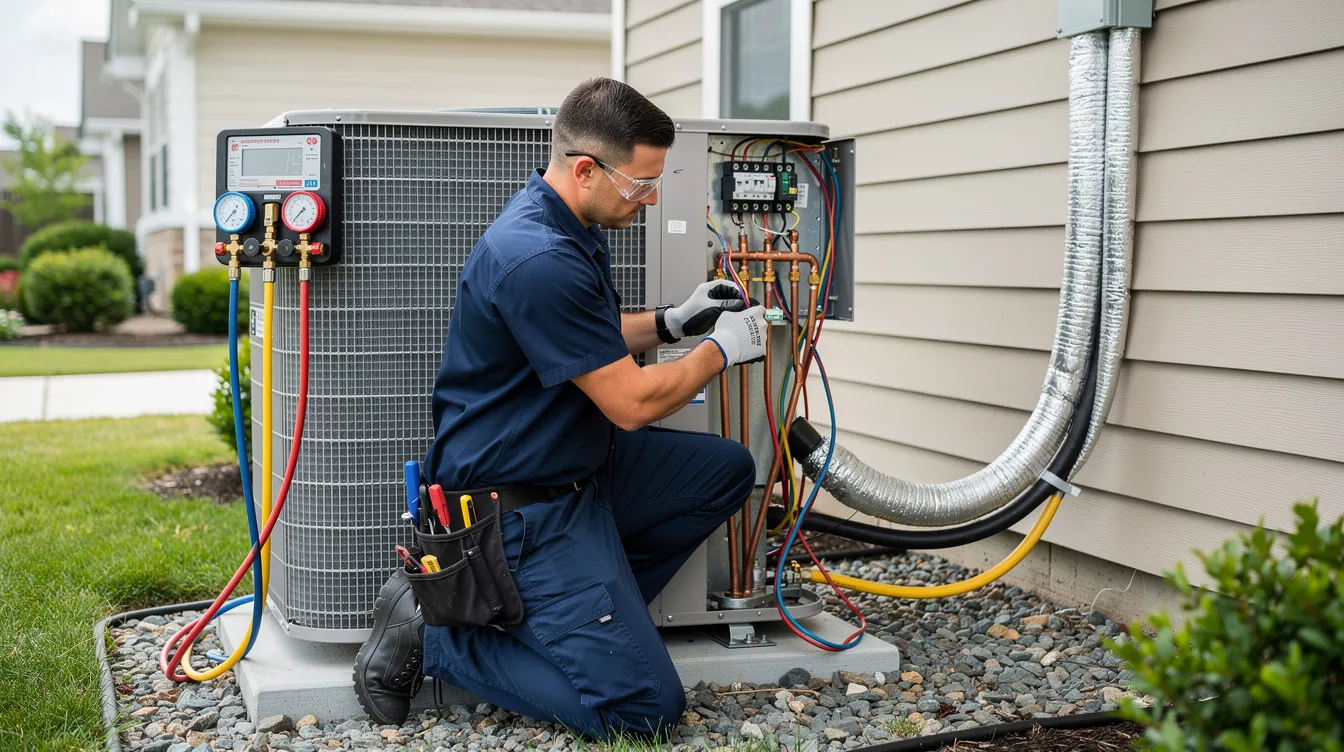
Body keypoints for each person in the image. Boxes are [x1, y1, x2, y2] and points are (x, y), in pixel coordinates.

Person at [353, 78, 768, 739]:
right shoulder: (537, 257)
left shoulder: (569, 222)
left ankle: (584, 616)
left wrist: (674, 322)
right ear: (585, 169)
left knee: (721, 471)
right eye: (641, 184)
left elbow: (587, 340)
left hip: (583, 471)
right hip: (521, 509)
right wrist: (721, 350)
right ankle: (440, 636)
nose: (651, 197)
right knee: (643, 715)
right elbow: (631, 402)